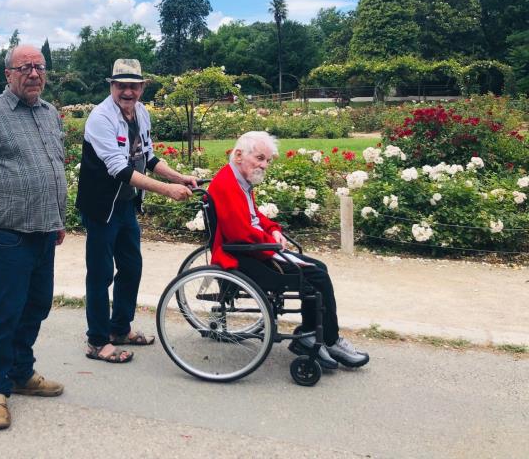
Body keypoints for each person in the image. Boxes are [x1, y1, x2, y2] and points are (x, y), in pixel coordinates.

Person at [0, 44, 67, 431]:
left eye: (39, 67)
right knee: (4, 313)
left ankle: (21, 373)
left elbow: (54, 166)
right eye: (25, 68)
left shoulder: (49, 113)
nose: (34, 74)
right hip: (8, 235)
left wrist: (58, 218)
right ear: (8, 74)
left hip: (44, 231)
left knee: (37, 306)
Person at [207, 131, 369, 370]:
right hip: (244, 253)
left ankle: (316, 336)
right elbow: (240, 232)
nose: (264, 165)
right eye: (260, 158)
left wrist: (273, 229)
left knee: (318, 270)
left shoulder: (239, 179)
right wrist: (271, 243)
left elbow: (253, 217)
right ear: (238, 155)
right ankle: (324, 339)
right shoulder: (228, 184)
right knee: (316, 275)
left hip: (253, 247)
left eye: (267, 160)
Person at [76, 58, 198, 364]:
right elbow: (119, 168)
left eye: (134, 86)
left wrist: (178, 177)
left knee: (131, 267)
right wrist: (167, 190)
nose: (127, 92)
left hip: (126, 204)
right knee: (101, 273)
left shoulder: (141, 113)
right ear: (112, 86)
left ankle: (120, 328)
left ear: (142, 87)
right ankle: (97, 340)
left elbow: (149, 157)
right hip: (101, 206)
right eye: (121, 85)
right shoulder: (100, 118)